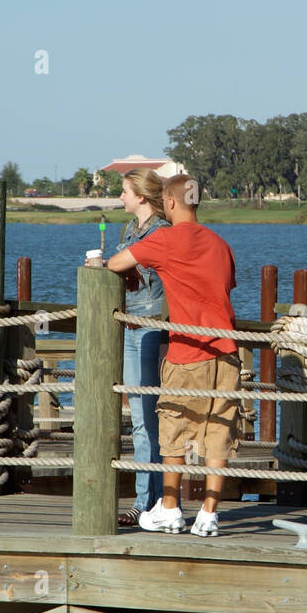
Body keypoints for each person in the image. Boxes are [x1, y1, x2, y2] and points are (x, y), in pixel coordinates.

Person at [106, 173, 240, 537]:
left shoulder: (164, 239)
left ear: (169, 203)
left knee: (173, 431)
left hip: (187, 350)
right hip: (227, 350)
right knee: (219, 433)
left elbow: (116, 264)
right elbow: (225, 285)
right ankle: (208, 515)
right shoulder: (221, 244)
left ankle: (169, 509)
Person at [112, 169, 169, 527]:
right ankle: (152, 497)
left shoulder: (160, 233)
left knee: (149, 418)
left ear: (142, 196)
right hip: (129, 326)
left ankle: (148, 500)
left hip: (150, 328)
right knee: (139, 417)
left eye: (125, 191)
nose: (121, 197)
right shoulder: (130, 231)